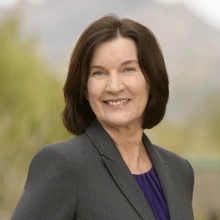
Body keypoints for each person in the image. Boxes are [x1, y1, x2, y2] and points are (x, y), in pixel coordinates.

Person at [11, 14, 194, 220]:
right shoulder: (63, 164)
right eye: (99, 73)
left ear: (150, 80)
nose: (114, 87)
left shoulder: (180, 171)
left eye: (128, 69)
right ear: (85, 89)